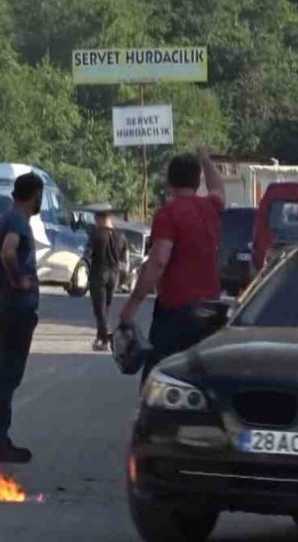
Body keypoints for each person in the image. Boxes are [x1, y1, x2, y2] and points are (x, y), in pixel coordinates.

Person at [119, 149, 224, 382]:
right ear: (198, 182)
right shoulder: (211, 208)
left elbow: (158, 261)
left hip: (176, 310)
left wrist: (132, 305)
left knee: (159, 378)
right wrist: (206, 160)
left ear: (169, 180)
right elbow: (219, 190)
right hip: (210, 309)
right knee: (201, 378)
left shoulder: (168, 214)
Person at [0, 172, 43, 464]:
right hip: (16, 308)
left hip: (8, 308)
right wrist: (20, 281)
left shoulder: (4, 219)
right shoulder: (18, 221)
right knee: (8, 374)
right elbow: (9, 252)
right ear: (35, 195)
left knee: (4, 373)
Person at [86, 207, 129, 351]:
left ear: (101, 219)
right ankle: (100, 338)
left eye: (96, 220)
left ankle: (105, 340)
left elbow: (87, 255)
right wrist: (123, 279)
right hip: (114, 276)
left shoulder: (95, 234)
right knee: (106, 308)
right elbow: (125, 262)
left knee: (99, 310)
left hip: (99, 274)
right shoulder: (121, 237)